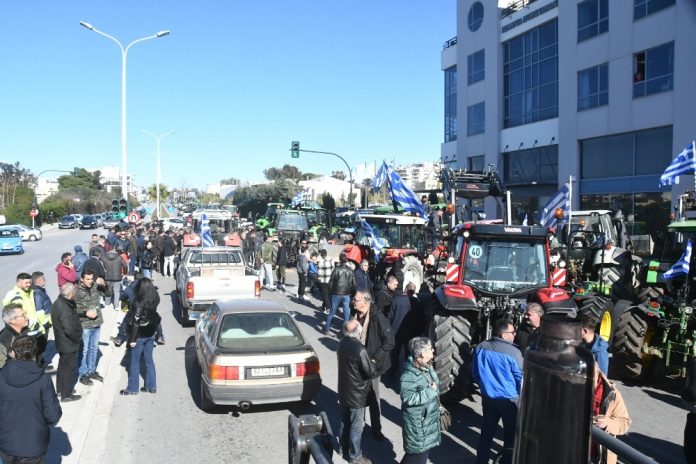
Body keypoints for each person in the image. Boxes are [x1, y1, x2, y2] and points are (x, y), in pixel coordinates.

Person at [0, 336, 62, 464]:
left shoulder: (1, 376)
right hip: (33, 446)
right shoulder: (43, 380)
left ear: (13, 353)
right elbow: (53, 415)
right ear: (35, 353)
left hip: (6, 444)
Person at [472, 319, 523, 464]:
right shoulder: (514, 353)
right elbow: (521, 379)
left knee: (486, 434)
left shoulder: (480, 347)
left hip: (488, 399)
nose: (515, 334)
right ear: (504, 335)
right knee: (510, 437)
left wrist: (485, 387)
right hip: (509, 401)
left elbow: (475, 373)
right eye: (513, 332)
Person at [353, 290, 395, 442]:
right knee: (359, 396)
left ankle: (376, 429)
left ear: (365, 302)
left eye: (356, 299)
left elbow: (389, 341)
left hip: (372, 366)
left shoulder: (377, 317)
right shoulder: (356, 315)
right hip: (358, 364)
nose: (353, 301)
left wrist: (375, 359)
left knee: (374, 398)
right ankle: (360, 425)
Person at [337, 319, 376, 464]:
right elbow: (370, 372)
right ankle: (355, 457)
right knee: (356, 426)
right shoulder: (360, 350)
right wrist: (373, 363)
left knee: (345, 421)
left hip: (344, 391)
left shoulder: (342, 343)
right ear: (359, 332)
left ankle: (342, 449)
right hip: (357, 395)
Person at [399, 337, 441, 464]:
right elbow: (407, 398)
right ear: (422, 353)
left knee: (422, 453)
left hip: (426, 420)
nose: (433, 350)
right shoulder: (408, 375)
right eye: (430, 349)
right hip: (417, 423)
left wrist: (431, 370)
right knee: (416, 456)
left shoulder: (426, 366)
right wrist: (430, 391)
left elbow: (435, 384)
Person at [120, 278, 161, 395]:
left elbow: (136, 321)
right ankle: (151, 386)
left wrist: (132, 339)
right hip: (150, 333)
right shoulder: (155, 297)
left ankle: (132, 388)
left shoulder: (139, 301)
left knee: (134, 362)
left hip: (139, 335)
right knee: (149, 360)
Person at [3, 273, 49, 363]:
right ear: (18, 283)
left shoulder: (28, 292)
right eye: (26, 283)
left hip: (32, 326)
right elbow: (16, 315)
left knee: (37, 350)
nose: (29, 284)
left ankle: (39, 365)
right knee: (29, 353)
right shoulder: (16, 296)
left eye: (30, 282)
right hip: (26, 328)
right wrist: (29, 325)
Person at [592, 366, 631, 464]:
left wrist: (607, 423)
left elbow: (625, 422)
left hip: (599, 458)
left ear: (598, 376)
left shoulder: (612, 394)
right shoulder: (569, 387)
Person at [75, 269, 108, 386]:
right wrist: (85, 313)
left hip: (96, 323)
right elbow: (72, 309)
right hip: (85, 325)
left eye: (91, 279)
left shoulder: (95, 286)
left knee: (94, 348)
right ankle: (83, 374)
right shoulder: (77, 291)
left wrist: (104, 284)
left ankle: (91, 370)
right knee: (84, 350)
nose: (90, 281)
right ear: (82, 279)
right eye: (87, 279)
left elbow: (108, 294)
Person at [51, 283, 83, 402]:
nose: (75, 293)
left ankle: (60, 390)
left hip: (62, 342)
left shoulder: (59, 302)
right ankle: (66, 394)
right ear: (70, 294)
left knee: (62, 367)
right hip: (68, 344)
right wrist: (77, 338)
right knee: (68, 369)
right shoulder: (64, 308)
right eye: (74, 292)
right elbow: (69, 329)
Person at [388, 282, 420, 381]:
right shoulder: (417, 303)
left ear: (405, 289)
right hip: (410, 334)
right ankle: (406, 377)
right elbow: (421, 320)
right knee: (408, 356)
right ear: (414, 292)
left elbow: (390, 317)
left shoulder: (396, 300)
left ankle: (392, 375)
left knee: (394, 355)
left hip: (396, 332)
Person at [324, 253, 355, 335]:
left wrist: (331, 291)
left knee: (332, 312)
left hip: (336, 293)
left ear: (340, 260)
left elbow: (330, 283)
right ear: (346, 260)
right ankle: (345, 332)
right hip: (346, 294)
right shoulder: (350, 270)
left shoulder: (336, 269)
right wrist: (350, 291)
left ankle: (327, 329)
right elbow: (354, 284)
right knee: (346, 314)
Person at [0, 304, 29, 368]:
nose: (27, 317)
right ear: (12, 321)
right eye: (23, 315)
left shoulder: (24, 330)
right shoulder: (5, 340)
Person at [317, 249, 334, 314]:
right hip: (330, 280)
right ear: (326, 254)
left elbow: (319, 272)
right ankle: (323, 307)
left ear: (321, 255)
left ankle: (328, 308)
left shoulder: (321, 261)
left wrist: (319, 279)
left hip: (323, 281)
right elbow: (333, 269)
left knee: (325, 295)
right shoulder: (331, 260)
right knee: (328, 294)